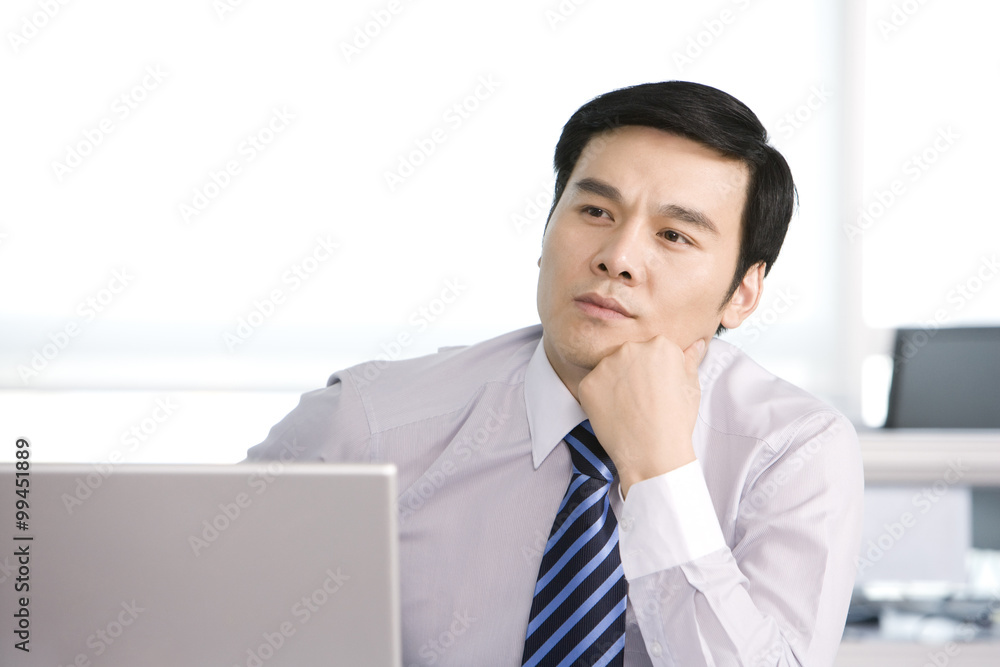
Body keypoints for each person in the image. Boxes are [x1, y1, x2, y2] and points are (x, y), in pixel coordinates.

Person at [246, 81, 864, 666]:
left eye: (674, 234)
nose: (617, 258)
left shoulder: (794, 450)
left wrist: (659, 472)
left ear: (743, 293)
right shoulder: (370, 422)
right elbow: (205, 620)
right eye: (595, 211)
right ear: (546, 231)